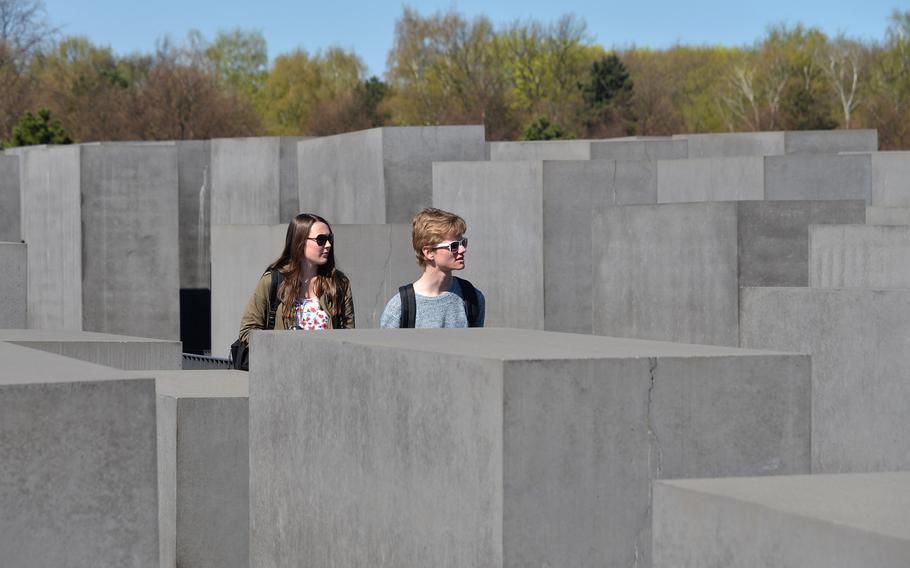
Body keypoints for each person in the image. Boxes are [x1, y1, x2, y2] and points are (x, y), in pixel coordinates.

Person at [238, 213, 355, 342]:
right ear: (300, 241)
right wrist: (276, 349)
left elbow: (349, 336)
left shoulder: (339, 284)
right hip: (282, 361)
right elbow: (248, 331)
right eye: (321, 240)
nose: (328, 245)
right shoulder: (272, 281)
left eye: (330, 239)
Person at [380, 207, 485, 328]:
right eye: (454, 246)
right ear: (428, 252)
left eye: (463, 243)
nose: (463, 249)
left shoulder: (473, 298)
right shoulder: (399, 308)